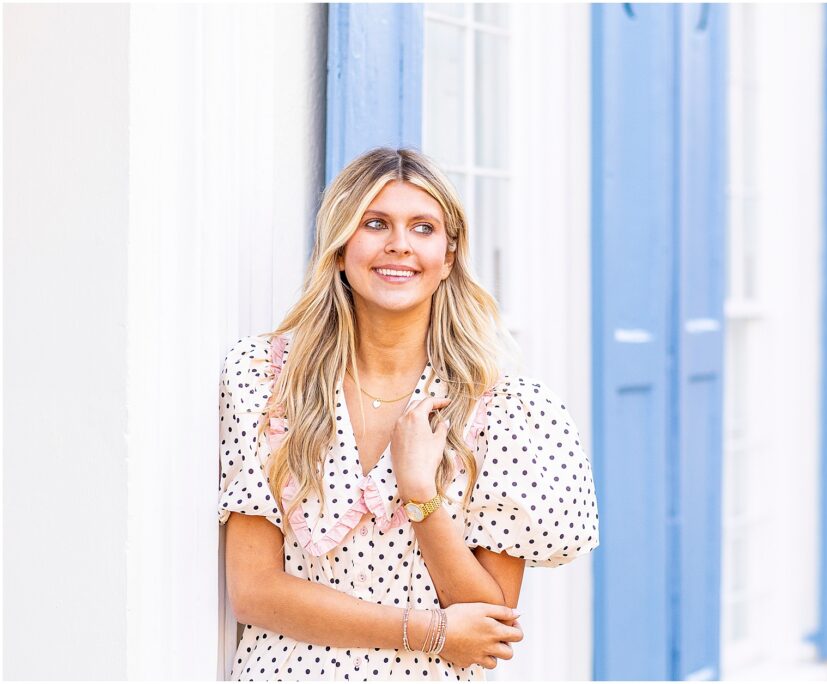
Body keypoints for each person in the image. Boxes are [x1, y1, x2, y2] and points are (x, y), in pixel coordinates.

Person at [218, 147, 599, 681]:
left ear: (447, 258)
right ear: (339, 249)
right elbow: (254, 592)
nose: (399, 244)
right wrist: (431, 632)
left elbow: (488, 621)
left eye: (423, 227)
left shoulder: (504, 410)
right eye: (375, 223)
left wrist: (421, 494)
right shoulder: (265, 378)